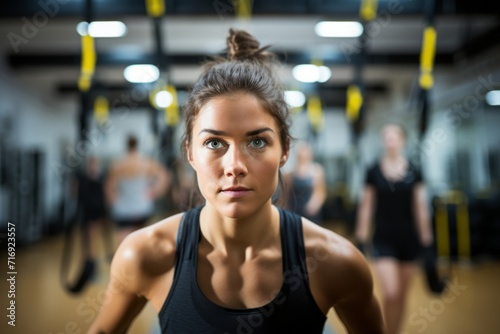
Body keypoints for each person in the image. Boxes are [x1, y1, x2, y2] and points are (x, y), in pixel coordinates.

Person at [89, 29, 384, 334]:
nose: (235, 166)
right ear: (190, 153)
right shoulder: (144, 255)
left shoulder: (337, 262)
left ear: (284, 150)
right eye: (215, 143)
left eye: (257, 142)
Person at [355, 123, 434, 334]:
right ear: (383, 141)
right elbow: (366, 207)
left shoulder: (414, 171)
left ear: (402, 140)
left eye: (394, 136)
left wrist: (428, 245)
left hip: (409, 240)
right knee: (390, 293)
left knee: (401, 297)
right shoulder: (373, 171)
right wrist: (361, 240)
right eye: (386, 136)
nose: (390, 140)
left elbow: (421, 208)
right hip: (383, 239)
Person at [105, 135, 170, 245]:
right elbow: (164, 176)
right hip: (142, 207)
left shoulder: (118, 164)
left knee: (124, 242)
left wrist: (113, 199)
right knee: (141, 240)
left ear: (127, 146)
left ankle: (125, 261)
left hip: (123, 209)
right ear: (137, 145)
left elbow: (109, 187)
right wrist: (155, 191)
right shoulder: (145, 162)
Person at [285, 142, 327, 224]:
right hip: (294, 210)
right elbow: (286, 194)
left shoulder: (317, 171)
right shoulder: (290, 173)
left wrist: (314, 204)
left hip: (310, 211)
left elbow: (321, 193)